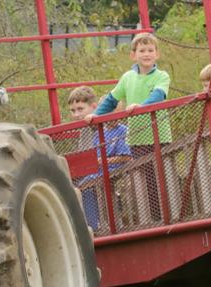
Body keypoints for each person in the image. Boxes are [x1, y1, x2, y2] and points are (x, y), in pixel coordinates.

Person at [84, 32, 171, 223]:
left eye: (150, 50)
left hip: (159, 135)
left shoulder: (161, 76)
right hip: (137, 138)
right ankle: (151, 218)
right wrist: (96, 115)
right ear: (133, 55)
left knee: (162, 177)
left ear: (157, 54)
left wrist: (142, 106)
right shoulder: (128, 78)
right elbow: (111, 99)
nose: (146, 54)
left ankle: (168, 216)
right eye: (142, 50)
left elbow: (158, 95)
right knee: (144, 180)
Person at [67, 86, 131, 231]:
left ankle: (95, 226)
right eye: (73, 110)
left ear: (94, 108)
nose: (77, 114)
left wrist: (99, 162)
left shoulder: (111, 129)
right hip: (96, 169)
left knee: (86, 186)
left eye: (80, 109)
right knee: (78, 186)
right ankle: (89, 225)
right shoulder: (90, 131)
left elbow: (125, 156)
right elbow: (87, 155)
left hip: (111, 168)